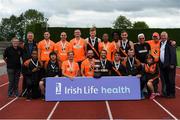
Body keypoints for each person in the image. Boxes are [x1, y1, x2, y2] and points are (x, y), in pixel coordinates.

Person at [159, 31, 177, 98]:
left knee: (171, 80)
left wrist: (172, 63)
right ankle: (168, 93)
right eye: (162, 35)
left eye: (164, 35)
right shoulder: (160, 43)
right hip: (164, 65)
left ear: (167, 36)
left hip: (170, 65)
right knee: (166, 80)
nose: (163, 37)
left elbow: (173, 54)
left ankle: (172, 94)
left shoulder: (170, 43)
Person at [21, 32, 37, 97]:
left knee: (34, 77)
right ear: (27, 37)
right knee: (25, 78)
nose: (30, 37)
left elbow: (37, 53)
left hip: (34, 63)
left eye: (31, 36)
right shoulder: (24, 45)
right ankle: (24, 92)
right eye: (29, 36)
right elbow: (23, 54)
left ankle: (34, 92)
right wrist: (26, 61)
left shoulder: (36, 44)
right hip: (26, 63)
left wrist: (32, 60)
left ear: (33, 37)